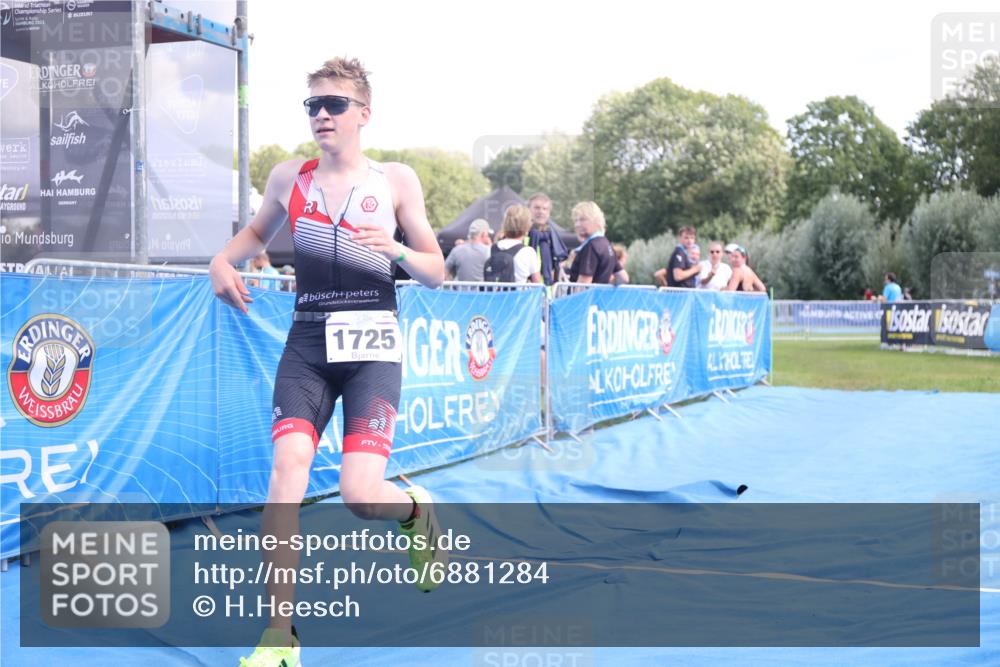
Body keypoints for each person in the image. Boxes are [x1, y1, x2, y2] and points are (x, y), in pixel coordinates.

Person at [208, 57, 448, 667]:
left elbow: (437, 269)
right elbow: (253, 238)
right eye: (312, 105)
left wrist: (394, 247)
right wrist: (220, 263)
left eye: (334, 105)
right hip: (309, 345)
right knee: (287, 470)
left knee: (360, 495)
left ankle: (418, 512)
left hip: (372, 349)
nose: (321, 115)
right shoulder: (290, 177)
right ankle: (279, 637)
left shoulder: (395, 180)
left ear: (363, 114)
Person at [568, 201, 628, 285]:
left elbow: (583, 285)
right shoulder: (607, 244)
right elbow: (623, 278)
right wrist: (605, 289)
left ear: (596, 220)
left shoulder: (591, 246)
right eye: (576, 220)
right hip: (600, 297)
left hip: (586, 297)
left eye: (582, 220)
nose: (577, 224)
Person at [489, 204, 541, 282]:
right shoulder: (528, 252)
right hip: (519, 294)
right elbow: (536, 281)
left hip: (496, 294)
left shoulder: (493, 248)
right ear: (526, 227)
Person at [526, 193, 569, 285]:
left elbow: (559, 261)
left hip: (547, 290)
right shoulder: (522, 233)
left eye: (545, 209)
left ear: (549, 213)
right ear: (528, 210)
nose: (541, 212)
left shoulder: (553, 236)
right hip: (525, 289)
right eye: (537, 208)